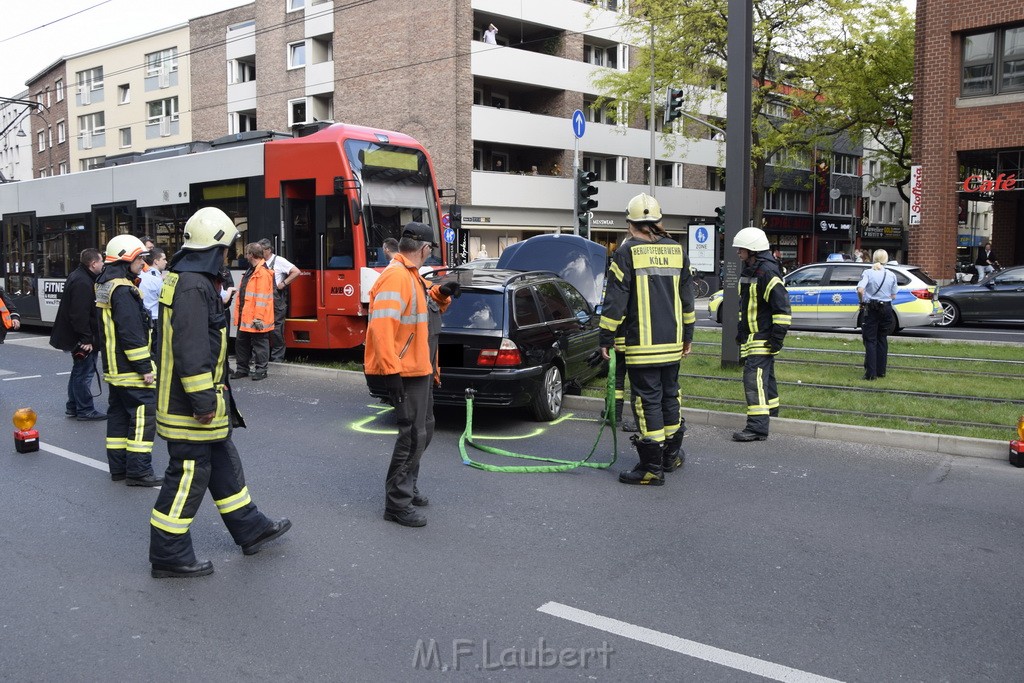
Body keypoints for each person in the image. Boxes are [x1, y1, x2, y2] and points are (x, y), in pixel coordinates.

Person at [150, 207, 291, 579]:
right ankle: (168, 554)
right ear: (216, 247)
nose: (229, 254)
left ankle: (250, 527)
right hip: (190, 405)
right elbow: (192, 348)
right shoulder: (194, 286)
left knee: (224, 462)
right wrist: (202, 402)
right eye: (227, 248)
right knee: (187, 476)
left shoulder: (184, 279)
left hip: (198, 399)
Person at [364, 221, 458, 527]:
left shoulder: (409, 275)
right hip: (405, 371)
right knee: (412, 435)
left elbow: (424, 306)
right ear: (425, 248)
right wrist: (391, 374)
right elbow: (381, 329)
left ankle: (407, 486)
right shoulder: (397, 277)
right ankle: (397, 502)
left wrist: (442, 293)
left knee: (424, 429)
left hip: (420, 368)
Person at [599, 193, 695, 485]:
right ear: (659, 221)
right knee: (670, 396)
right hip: (673, 342)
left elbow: (616, 300)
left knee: (647, 401)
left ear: (630, 225)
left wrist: (606, 335)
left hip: (641, 345)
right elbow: (687, 299)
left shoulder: (626, 253)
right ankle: (670, 456)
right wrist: (687, 336)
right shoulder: (677, 250)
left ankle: (652, 468)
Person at [94, 235, 162, 487]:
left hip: (114, 368)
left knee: (119, 417)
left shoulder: (105, 285)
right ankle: (139, 471)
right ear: (126, 258)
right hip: (131, 370)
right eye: (140, 258)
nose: (143, 263)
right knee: (144, 418)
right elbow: (131, 333)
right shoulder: (122, 290)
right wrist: (145, 367)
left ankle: (119, 469)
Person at [732, 227, 792, 442]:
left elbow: (782, 308)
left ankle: (757, 427)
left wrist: (776, 339)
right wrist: (741, 329)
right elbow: (748, 305)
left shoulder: (766, 272)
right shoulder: (752, 270)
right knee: (767, 379)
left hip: (762, 337)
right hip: (753, 335)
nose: (738, 252)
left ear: (753, 250)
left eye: (741, 249)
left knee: (753, 379)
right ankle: (772, 415)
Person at [49, 249, 107, 421]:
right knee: (85, 372)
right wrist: (86, 339)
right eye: (101, 261)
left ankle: (73, 406)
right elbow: (79, 314)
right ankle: (85, 409)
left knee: (79, 371)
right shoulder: (83, 281)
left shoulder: (79, 275)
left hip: (75, 335)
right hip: (81, 338)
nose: (103, 264)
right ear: (93, 263)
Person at [231, 242, 275, 381]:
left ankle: (261, 370)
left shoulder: (262, 273)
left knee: (260, 344)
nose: (245, 256)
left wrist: (258, 318)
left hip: (256, 318)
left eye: (247, 253)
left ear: (251, 255)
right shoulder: (252, 270)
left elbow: (262, 298)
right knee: (241, 343)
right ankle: (242, 369)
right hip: (246, 316)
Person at [857, 249, 898, 381]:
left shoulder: (868, 272)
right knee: (882, 338)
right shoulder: (891, 274)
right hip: (886, 308)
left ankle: (870, 373)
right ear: (886, 259)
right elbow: (893, 295)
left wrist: (862, 301)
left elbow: (860, 289)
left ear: (873, 258)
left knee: (870, 340)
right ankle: (881, 371)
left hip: (871, 308)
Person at [258, 238, 300, 362]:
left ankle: (277, 358)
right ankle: (263, 358)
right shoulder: (259, 262)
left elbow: (296, 272)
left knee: (276, 330)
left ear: (269, 250)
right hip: (263, 300)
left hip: (276, 301)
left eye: (261, 251)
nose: (259, 253)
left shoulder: (279, 261)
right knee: (262, 330)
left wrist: (284, 283)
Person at [138, 247, 166, 323]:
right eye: (164, 259)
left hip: (142, 318)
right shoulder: (156, 279)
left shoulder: (141, 276)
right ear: (156, 261)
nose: (166, 262)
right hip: (155, 318)